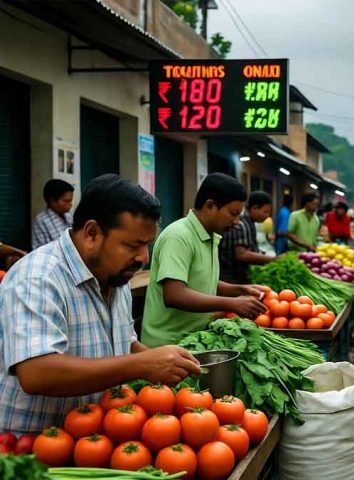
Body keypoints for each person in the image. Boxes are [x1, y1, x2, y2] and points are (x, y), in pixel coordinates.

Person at [0, 174, 200, 434]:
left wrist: (160, 359)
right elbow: (36, 371)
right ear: (92, 233)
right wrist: (142, 365)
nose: (143, 257)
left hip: (91, 441)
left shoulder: (115, 277)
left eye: (147, 245)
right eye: (133, 245)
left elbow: (122, 341)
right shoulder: (38, 277)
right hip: (31, 448)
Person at [141, 173, 268, 347]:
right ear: (210, 205)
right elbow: (174, 294)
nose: (237, 222)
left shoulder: (211, 236)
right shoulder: (179, 236)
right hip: (168, 345)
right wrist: (232, 304)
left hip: (195, 341)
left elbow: (202, 282)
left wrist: (240, 289)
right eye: (233, 213)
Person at [219, 190, 278, 285]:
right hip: (230, 277)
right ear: (254, 208)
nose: (267, 216)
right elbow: (242, 254)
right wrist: (273, 260)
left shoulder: (250, 224)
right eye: (265, 212)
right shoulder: (242, 224)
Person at [32, 179, 74, 249]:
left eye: (70, 201)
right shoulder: (41, 221)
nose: (70, 204)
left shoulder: (69, 217)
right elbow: (39, 250)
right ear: (53, 201)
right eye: (66, 201)